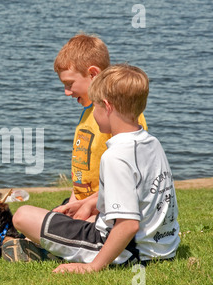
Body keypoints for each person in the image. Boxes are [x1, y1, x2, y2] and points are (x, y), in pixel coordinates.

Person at [11, 64, 180, 273]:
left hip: (130, 252)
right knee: (75, 213)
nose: (93, 113)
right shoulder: (151, 143)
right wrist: (89, 203)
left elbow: (128, 225)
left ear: (107, 107)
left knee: (22, 215)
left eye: (95, 108)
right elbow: (139, 193)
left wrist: (92, 267)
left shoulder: (115, 156)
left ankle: (53, 250)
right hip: (162, 248)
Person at [53, 33, 148, 220]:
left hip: (109, 208)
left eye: (69, 84)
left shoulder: (121, 115)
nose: (66, 92)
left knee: (35, 223)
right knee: (43, 221)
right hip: (83, 203)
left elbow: (130, 179)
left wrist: (88, 206)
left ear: (93, 74)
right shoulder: (88, 112)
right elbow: (81, 178)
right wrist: (72, 204)